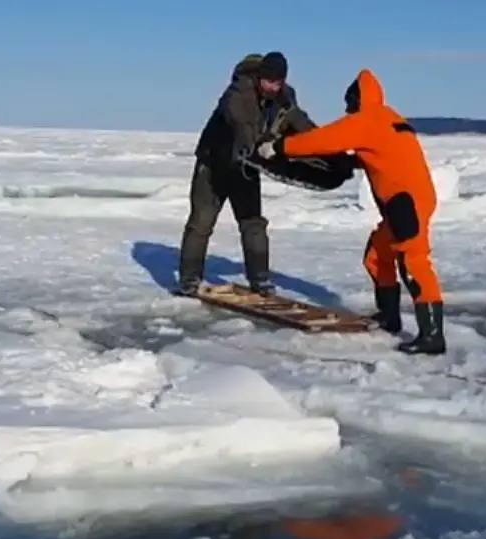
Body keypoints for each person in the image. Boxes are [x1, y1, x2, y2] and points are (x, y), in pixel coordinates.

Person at [258, 69, 445, 355]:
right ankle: (389, 317)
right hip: (405, 202)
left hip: (406, 204)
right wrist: (351, 161)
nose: (347, 110)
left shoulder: (367, 120)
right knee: (377, 256)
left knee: (414, 263)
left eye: (349, 104)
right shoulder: (389, 118)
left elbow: (322, 140)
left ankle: (432, 336)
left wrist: (280, 147)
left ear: (358, 99)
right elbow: (379, 152)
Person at [177, 51, 315, 296]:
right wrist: (255, 147)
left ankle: (260, 279)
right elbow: (241, 123)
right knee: (201, 223)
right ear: (260, 76)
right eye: (268, 81)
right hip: (213, 166)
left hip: (246, 169)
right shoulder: (239, 93)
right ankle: (189, 278)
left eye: (278, 82)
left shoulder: (285, 99)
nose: (272, 87)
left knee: (253, 224)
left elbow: (302, 125)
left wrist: (327, 148)